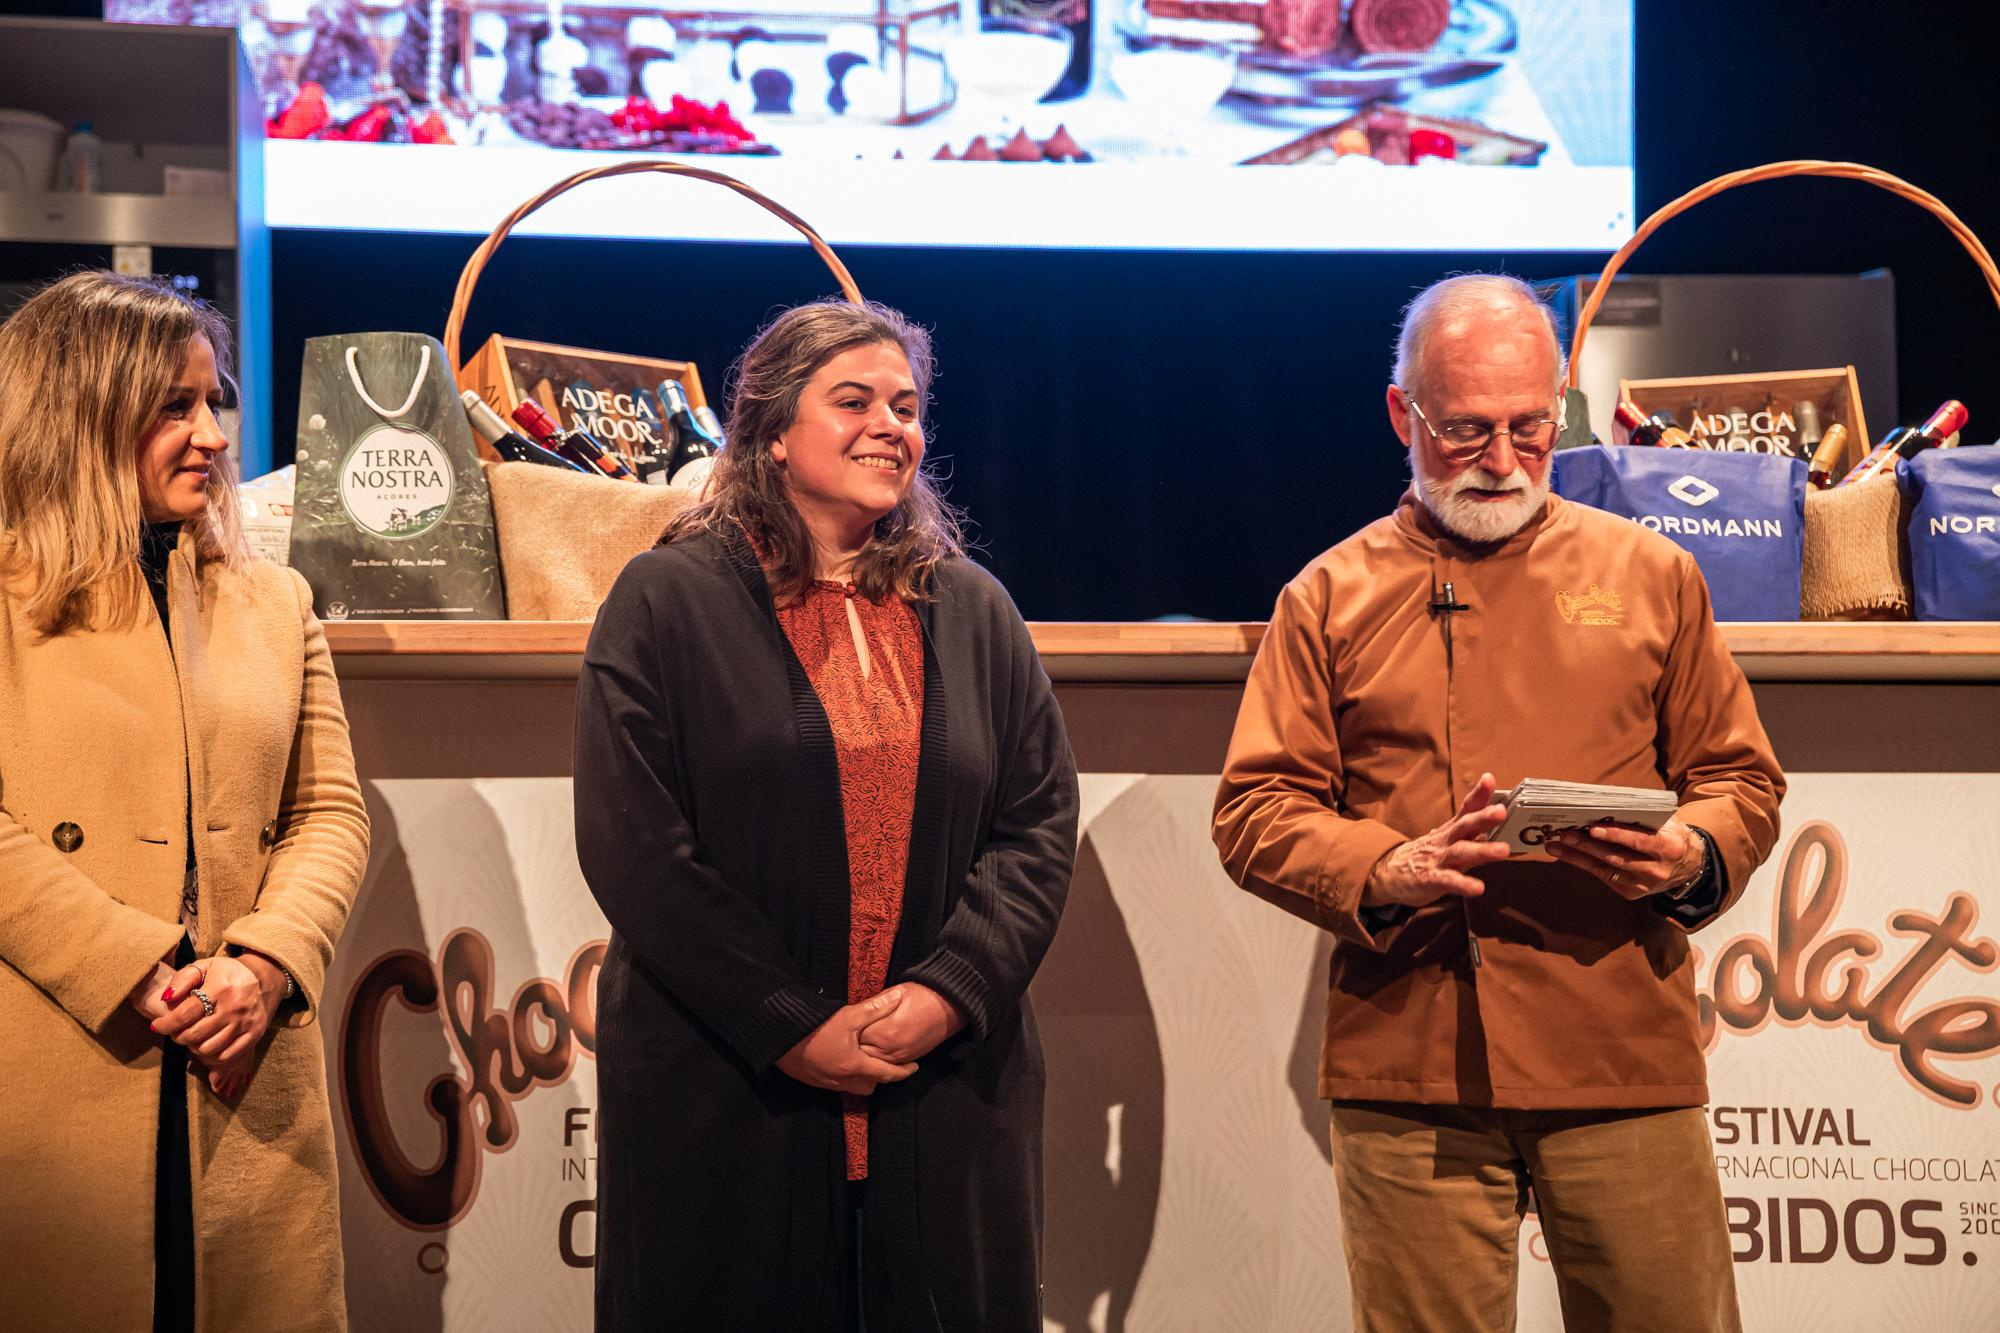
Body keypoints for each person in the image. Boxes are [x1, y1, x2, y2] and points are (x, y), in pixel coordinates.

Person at [1212, 274, 1784, 1331]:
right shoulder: (1329, 593)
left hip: (1618, 1042)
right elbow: (1256, 808)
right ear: (1401, 414)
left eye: (1531, 427)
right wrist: (1383, 869)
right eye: (1465, 430)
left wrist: (1690, 856)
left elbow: (1737, 779)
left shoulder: (1650, 572)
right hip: (1410, 1058)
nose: (1503, 460)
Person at [574, 299, 1078, 1331]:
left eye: (905, 404)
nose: (888, 424)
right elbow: (638, 847)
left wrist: (948, 992)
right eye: (851, 401)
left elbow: (1034, 824)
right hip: (726, 1083)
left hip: (939, 1084)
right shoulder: (664, 599)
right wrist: (789, 1024)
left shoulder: (971, 606)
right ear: (767, 428)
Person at [0, 272, 370, 1331]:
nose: (210, 434)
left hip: (247, 1070)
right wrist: (133, 966)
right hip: (64, 1062)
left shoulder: (276, 599)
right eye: (173, 405)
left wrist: (265, 966)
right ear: (77, 414)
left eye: (214, 402)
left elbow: (329, 813)